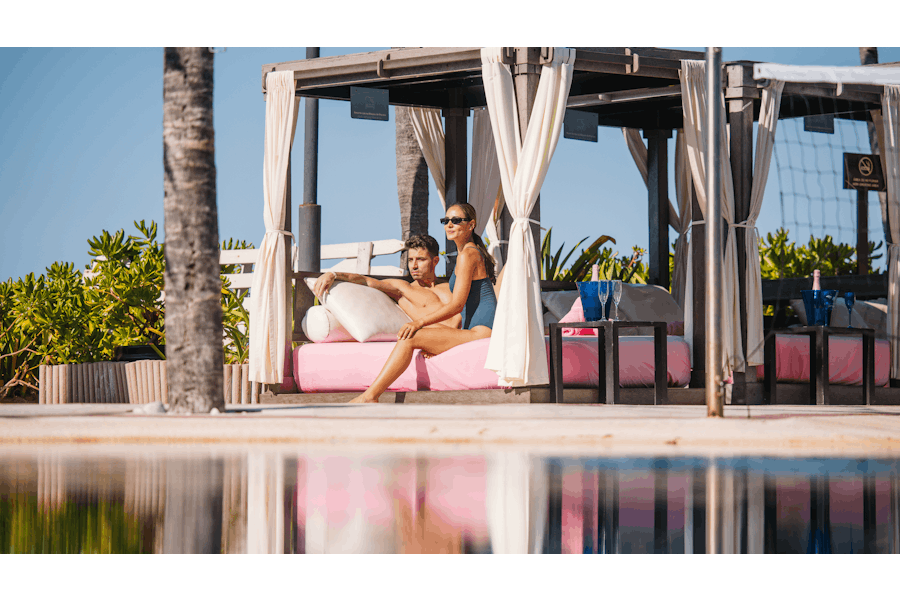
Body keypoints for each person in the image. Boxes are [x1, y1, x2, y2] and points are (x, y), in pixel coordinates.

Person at [315, 203, 497, 404]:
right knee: (413, 336)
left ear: (471, 225)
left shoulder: (467, 255)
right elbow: (368, 281)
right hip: (476, 331)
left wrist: (417, 324)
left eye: (456, 221)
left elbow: (457, 307)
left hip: (480, 332)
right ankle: (370, 397)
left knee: (409, 337)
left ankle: (370, 396)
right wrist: (334, 274)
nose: (449, 225)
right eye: (446, 221)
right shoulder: (466, 255)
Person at [313, 234, 461, 329]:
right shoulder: (403, 288)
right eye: (410, 260)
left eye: (420, 259)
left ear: (435, 261)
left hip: (465, 335)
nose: (414, 266)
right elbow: (366, 281)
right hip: (440, 339)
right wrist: (333, 274)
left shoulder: (450, 286)